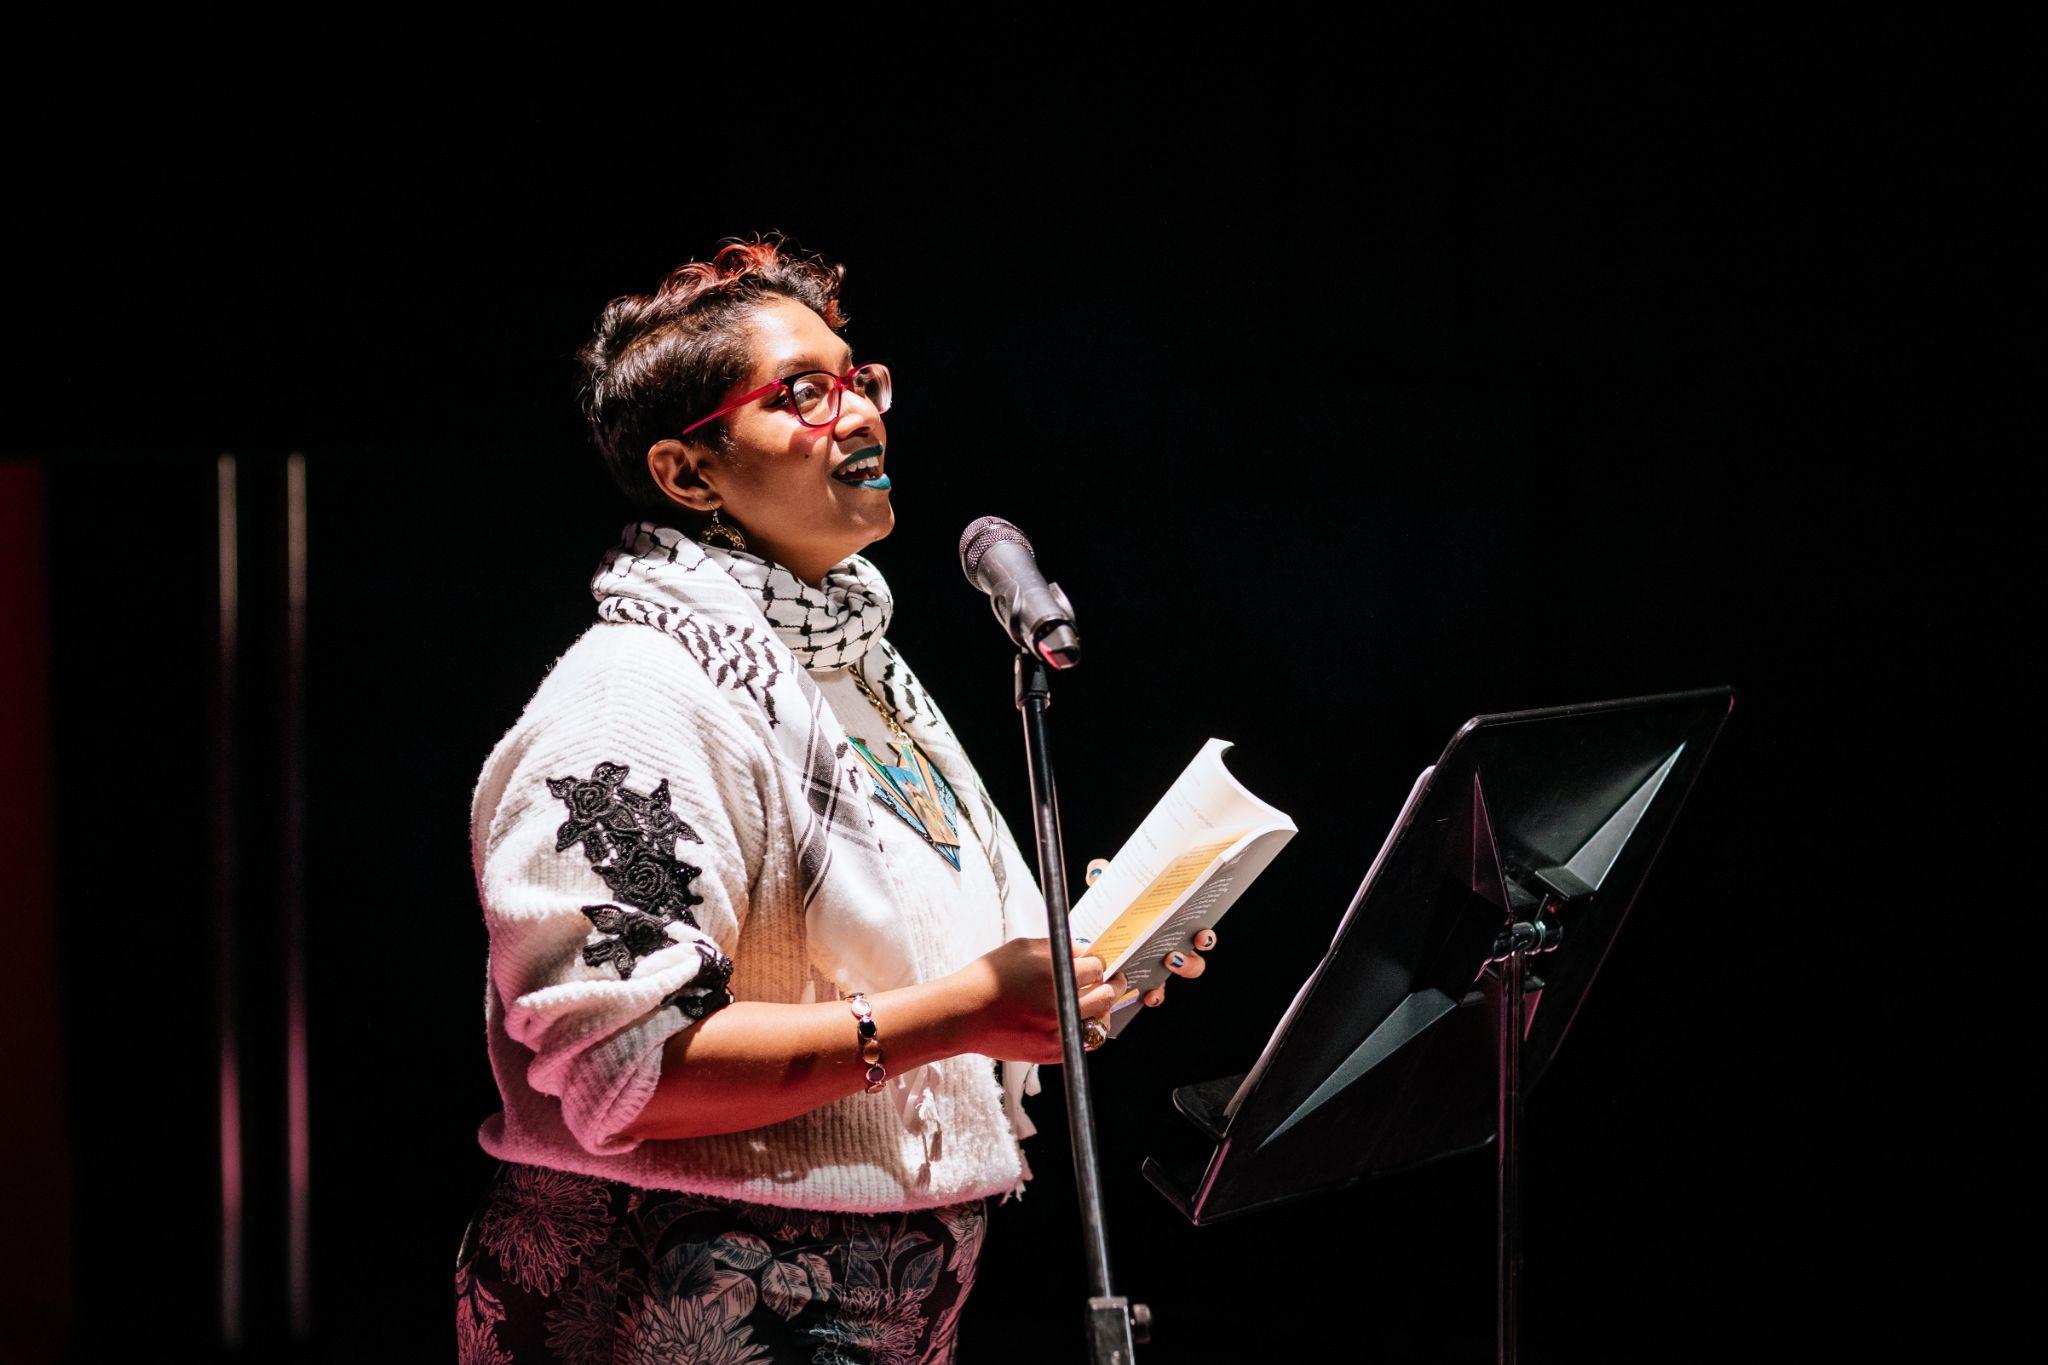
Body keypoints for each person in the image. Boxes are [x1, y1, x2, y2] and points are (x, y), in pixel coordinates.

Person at [452, 233, 1219, 1363]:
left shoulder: (854, 667)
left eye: (858, 381)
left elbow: (921, 959)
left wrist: (1081, 961)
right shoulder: (637, 696)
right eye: (801, 395)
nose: (858, 414)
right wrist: (963, 1011)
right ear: (687, 471)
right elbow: (627, 1067)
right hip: (660, 1302)